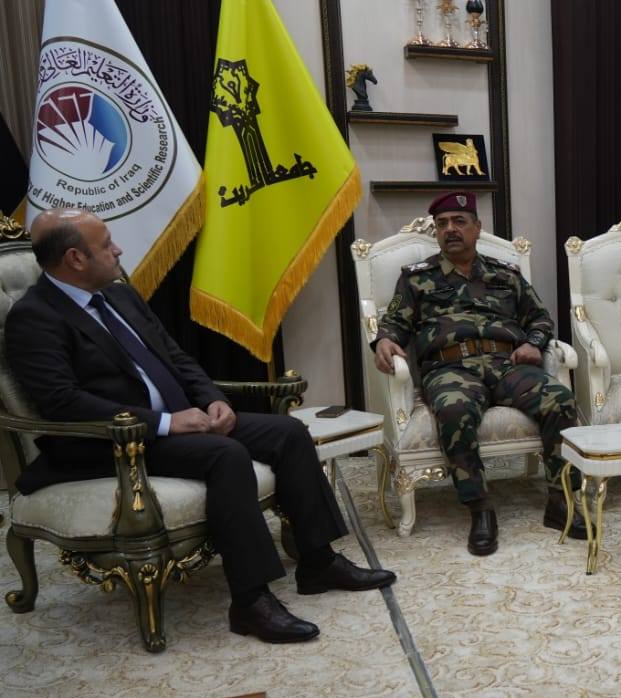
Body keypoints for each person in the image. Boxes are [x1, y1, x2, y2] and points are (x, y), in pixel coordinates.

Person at [5, 207, 393, 644]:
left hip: (180, 419)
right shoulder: (34, 317)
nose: (118, 250)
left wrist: (213, 400)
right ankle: (250, 601)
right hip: (114, 442)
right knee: (226, 455)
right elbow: (63, 402)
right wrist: (166, 423)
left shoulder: (118, 295)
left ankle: (318, 562)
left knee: (288, 433)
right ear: (75, 259)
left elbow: (175, 356)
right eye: (106, 244)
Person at [374, 191, 581, 555]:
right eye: (442, 224)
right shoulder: (417, 279)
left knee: (560, 400)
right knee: (454, 411)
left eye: (459, 221)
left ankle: (560, 499)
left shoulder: (506, 274)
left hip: (507, 364)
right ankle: (480, 508)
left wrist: (534, 343)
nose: (450, 229)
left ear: (477, 228)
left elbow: (539, 317)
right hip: (450, 368)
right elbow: (393, 323)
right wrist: (384, 340)